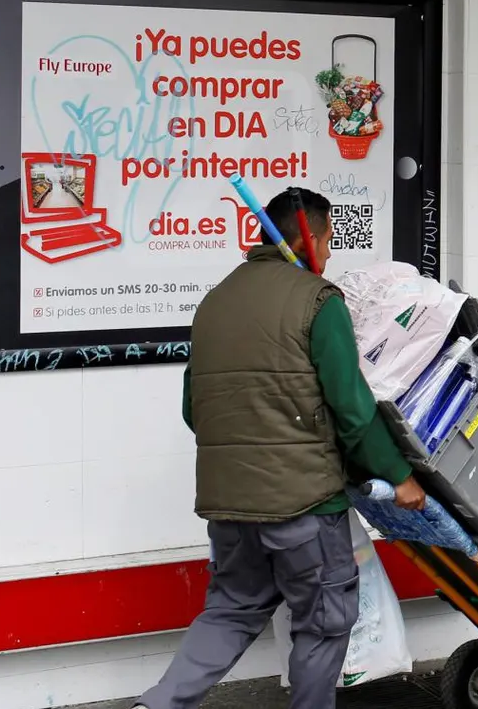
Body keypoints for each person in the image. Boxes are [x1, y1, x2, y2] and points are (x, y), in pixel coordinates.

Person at [135, 188, 428, 709]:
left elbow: (192, 408)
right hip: (303, 506)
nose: (332, 253)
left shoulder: (215, 301)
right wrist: (397, 474)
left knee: (230, 609)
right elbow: (352, 408)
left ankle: (158, 704)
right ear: (310, 238)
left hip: (228, 505)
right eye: (330, 241)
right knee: (323, 620)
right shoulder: (318, 300)